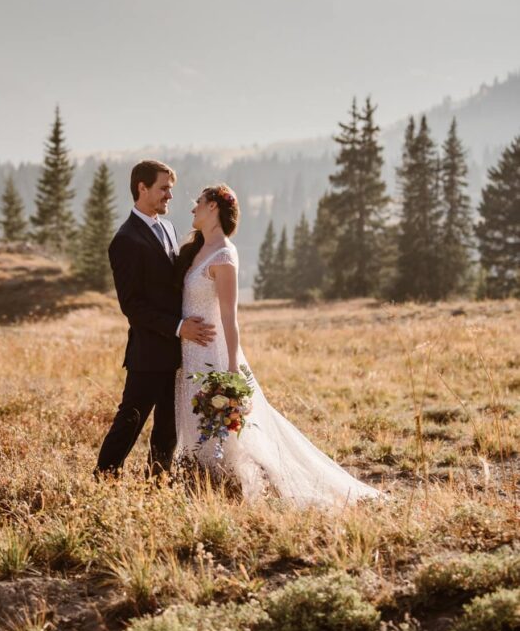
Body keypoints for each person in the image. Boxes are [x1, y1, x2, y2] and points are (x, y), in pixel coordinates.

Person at [174, 184, 380, 505]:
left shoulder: (225, 256)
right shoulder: (194, 250)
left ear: (213, 207)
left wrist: (231, 369)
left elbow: (230, 317)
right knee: (192, 420)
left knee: (223, 429)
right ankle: (199, 487)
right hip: (188, 353)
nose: (193, 208)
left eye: (198, 202)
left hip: (211, 354)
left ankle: (232, 489)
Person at [95, 160, 215, 477]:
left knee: (168, 426)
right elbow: (133, 306)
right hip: (148, 352)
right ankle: (104, 478)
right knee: (130, 421)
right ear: (142, 188)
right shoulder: (125, 240)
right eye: (163, 189)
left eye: (170, 190)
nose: (169, 196)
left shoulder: (168, 228)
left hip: (176, 351)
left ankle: (157, 484)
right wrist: (178, 327)